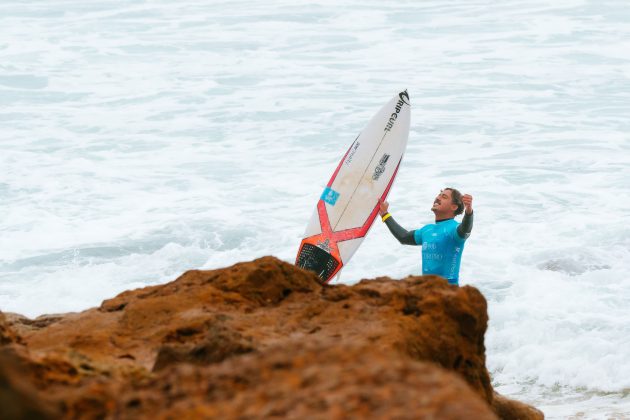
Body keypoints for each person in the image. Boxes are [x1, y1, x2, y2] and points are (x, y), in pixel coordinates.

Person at [378, 188, 473, 286]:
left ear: (454, 207)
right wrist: (385, 214)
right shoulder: (427, 230)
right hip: (427, 291)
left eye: (444, 196)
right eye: (439, 195)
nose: (437, 198)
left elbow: (465, 229)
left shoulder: (454, 229)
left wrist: (469, 212)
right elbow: (403, 237)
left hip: (449, 292)